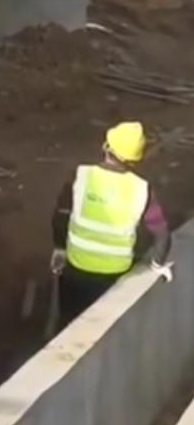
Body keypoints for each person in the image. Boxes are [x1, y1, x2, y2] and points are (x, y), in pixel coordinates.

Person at [51, 121, 172, 329]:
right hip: (115, 275)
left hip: (76, 269)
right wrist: (156, 267)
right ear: (136, 159)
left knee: (70, 321)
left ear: (106, 147)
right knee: (102, 326)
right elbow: (162, 235)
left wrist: (60, 248)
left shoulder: (80, 176)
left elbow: (61, 215)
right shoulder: (142, 189)